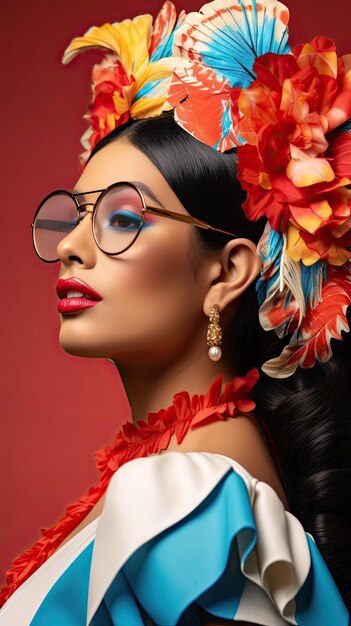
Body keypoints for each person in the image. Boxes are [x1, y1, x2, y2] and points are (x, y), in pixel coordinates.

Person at [0, 0, 350, 624]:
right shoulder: (177, 481)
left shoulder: (184, 495)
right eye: (75, 215)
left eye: (123, 219)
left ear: (229, 272)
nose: (73, 246)